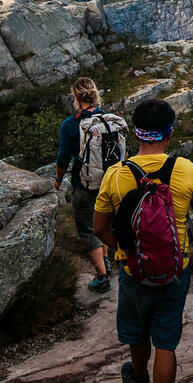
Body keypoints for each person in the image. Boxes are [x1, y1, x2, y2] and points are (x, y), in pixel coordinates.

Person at [93, 98, 193, 383]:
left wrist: (124, 249)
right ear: (170, 132)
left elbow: (99, 226)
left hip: (133, 269)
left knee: (136, 330)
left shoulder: (117, 175)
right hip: (175, 270)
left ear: (136, 133)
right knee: (166, 341)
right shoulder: (185, 169)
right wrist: (185, 239)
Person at [53, 77, 123, 293]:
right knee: (103, 223)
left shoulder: (70, 124)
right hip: (111, 184)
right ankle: (106, 260)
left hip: (84, 185)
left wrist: (57, 181)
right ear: (95, 94)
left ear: (76, 97)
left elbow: (64, 158)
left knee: (87, 229)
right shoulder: (108, 120)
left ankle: (102, 276)